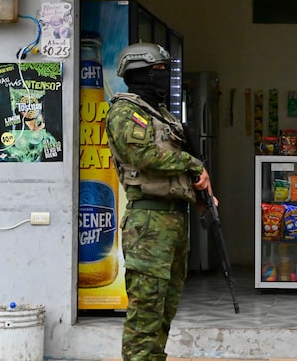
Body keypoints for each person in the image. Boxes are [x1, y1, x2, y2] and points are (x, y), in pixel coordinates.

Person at [105, 42, 215, 361]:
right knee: (146, 312)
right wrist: (193, 164)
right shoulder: (125, 112)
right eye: (159, 70)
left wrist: (201, 194)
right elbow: (142, 156)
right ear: (139, 73)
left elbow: (173, 164)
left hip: (173, 221)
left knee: (165, 307)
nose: (165, 76)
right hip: (149, 223)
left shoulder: (161, 115)